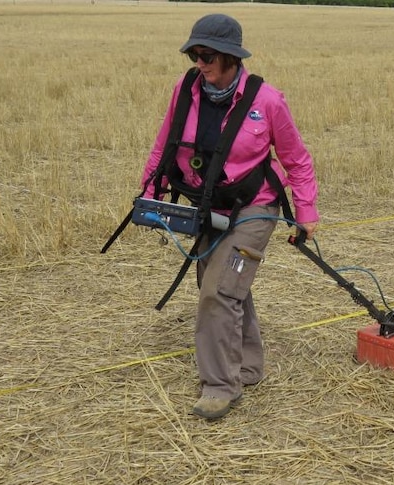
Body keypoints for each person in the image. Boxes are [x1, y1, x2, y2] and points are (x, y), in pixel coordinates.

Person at [139, 13, 319, 420]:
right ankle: (249, 367)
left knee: (218, 291)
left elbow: (297, 160)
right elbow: (164, 144)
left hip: (254, 207)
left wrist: (306, 212)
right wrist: (150, 194)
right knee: (227, 284)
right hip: (207, 205)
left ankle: (221, 386)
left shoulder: (267, 101)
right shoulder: (186, 91)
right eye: (193, 55)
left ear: (232, 58)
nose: (198, 64)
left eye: (207, 56)